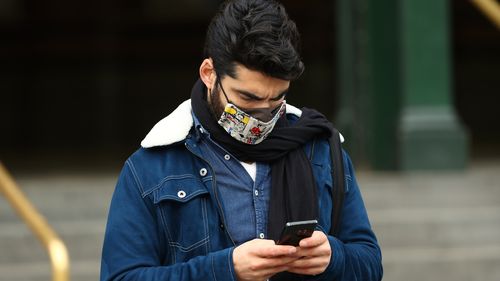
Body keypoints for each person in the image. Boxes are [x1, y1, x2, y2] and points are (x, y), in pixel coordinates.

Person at [100, 0, 382, 280]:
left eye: (276, 99)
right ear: (209, 74)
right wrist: (226, 270)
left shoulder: (320, 148)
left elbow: (369, 263)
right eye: (247, 98)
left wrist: (333, 257)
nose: (262, 114)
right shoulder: (151, 167)